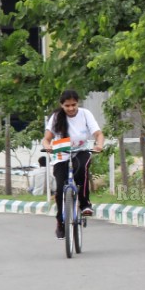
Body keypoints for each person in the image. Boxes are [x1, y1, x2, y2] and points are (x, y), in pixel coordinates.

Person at [41, 89, 104, 239]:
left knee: (83, 170)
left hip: (81, 150)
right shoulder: (56, 117)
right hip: (61, 154)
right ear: (61, 105)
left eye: (73, 105)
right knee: (61, 188)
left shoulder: (85, 114)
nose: (70, 108)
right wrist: (48, 146)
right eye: (67, 105)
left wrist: (99, 145)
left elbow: (98, 134)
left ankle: (85, 204)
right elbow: (46, 138)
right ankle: (60, 222)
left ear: (78, 103)